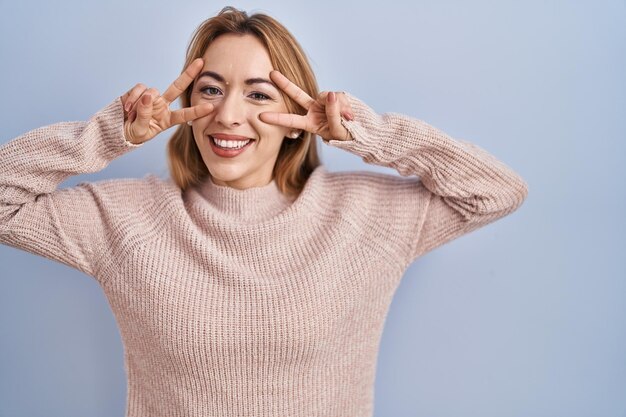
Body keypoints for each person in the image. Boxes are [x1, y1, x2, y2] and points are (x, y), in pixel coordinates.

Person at [0, 6, 528, 417]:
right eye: (211, 90)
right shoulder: (125, 220)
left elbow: (496, 191)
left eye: (257, 94)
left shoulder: (366, 217)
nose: (228, 116)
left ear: (297, 116)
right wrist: (106, 135)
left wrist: (370, 133)